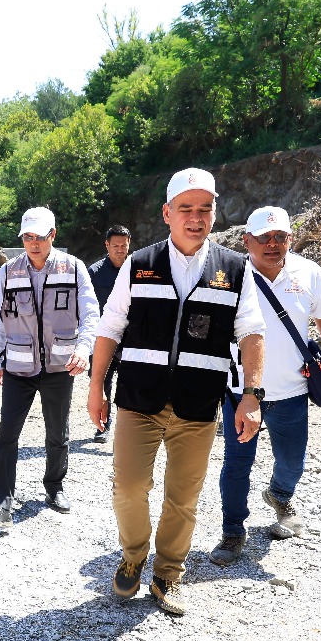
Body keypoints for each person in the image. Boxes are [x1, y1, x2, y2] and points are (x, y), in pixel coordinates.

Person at [87, 168, 267, 616]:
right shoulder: (139, 263)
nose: (196, 217)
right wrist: (95, 387)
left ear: (214, 213)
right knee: (129, 487)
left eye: (205, 208)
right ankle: (133, 555)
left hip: (198, 403)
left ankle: (168, 572)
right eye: (186, 208)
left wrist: (251, 395)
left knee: (183, 498)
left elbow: (251, 332)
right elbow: (110, 327)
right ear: (167, 213)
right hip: (138, 400)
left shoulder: (235, 269)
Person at [210, 206, 321, 565]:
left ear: (290, 238)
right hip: (241, 392)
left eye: (280, 237)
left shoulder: (309, 272)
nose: (272, 244)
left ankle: (279, 494)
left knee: (292, 462)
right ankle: (232, 532)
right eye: (264, 237)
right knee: (236, 464)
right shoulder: (229, 275)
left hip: (292, 391)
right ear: (247, 240)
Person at [0, 207, 101, 527]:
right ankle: (1, 503)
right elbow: (0, 318)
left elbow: (91, 313)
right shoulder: (9, 271)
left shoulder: (73, 268)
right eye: (28, 237)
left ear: (53, 235)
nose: (33, 244)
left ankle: (54, 487)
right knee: (7, 435)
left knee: (57, 433)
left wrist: (84, 349)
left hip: (59, 366)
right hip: (18, 366)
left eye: (40, 237)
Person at [87, 226, 131, 444]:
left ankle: (128, 429)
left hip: (131, 338)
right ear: (107, 245)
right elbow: (86, 306)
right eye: (116, 246)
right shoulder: (94, 272)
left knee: (129, 384)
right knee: (102, 382)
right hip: (102, 338)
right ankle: (102, 427)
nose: (120, 250)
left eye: (124, 245)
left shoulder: (137, 269)